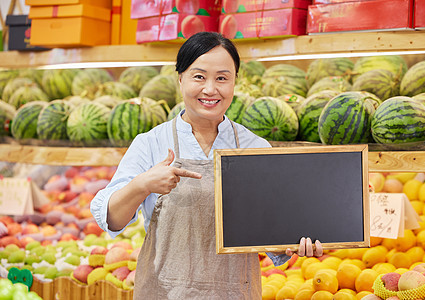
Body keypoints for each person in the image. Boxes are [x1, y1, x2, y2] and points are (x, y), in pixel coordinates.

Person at [91, 31, 323, 299]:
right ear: (180, 79)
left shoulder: (253, 147)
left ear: (235, 83)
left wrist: (299, 241)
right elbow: (111, 219)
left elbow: (273, 234)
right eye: (199, 76)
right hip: (164, 292)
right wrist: (142, 184)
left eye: (222, 78)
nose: (210, 89)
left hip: (235, 292)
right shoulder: (151, 142)